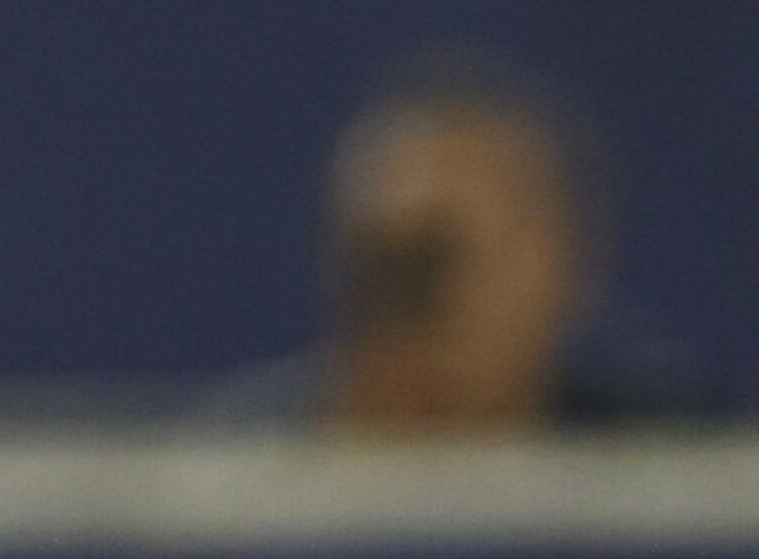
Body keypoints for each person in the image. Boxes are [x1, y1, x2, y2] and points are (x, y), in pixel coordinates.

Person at [225, 56, 725, 435]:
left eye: (432, 256)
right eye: (379, 262)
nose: (405, 301)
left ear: (553, 260)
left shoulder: (686, 476)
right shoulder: (226, 472)